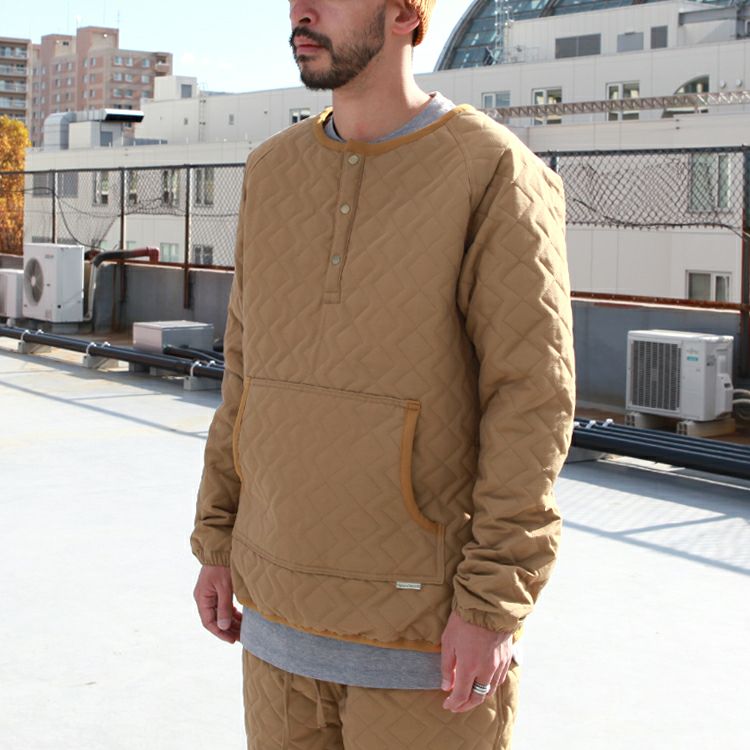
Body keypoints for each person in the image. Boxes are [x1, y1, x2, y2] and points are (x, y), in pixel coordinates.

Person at [191, 1, 576, 747]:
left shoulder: (493, 170)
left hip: (424, 644)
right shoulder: (271, 171)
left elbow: (531, 401)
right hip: (274, 624)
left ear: (404, 13)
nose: (301, 12)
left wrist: (493, 603)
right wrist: (218, 538)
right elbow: (245, 372)